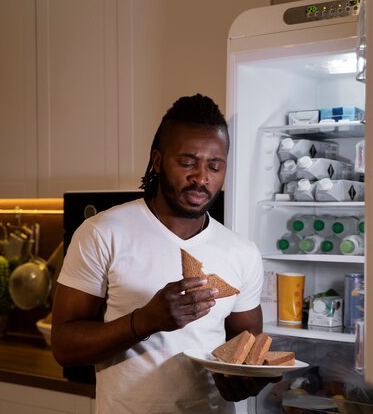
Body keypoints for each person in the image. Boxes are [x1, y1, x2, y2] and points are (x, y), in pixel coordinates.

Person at [51, 94, 277, 413]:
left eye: (214, 166)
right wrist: (145, 321)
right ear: (158, 161)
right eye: (187, 162)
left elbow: (247, 347)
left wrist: (243, 380)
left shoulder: (242, 252)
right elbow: (64, 346)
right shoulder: (102, 233)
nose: (201, 177)